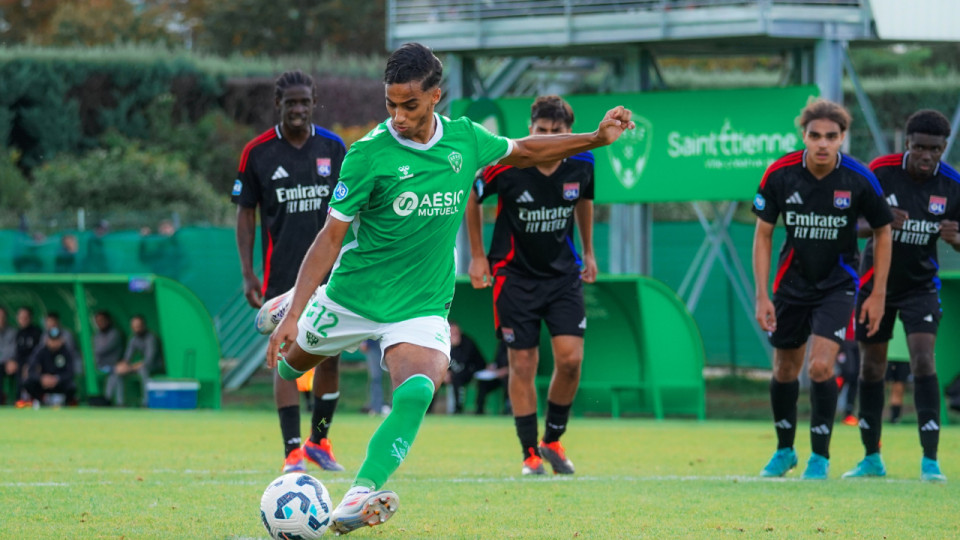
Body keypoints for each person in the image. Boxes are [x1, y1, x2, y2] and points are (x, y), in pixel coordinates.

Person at [260, 42, 633, 534]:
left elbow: (523, 151)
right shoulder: (368, 155)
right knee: (289, 370)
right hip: (352, 295)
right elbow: (330, 239)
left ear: (436, 96)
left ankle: (358, 494)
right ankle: (289, 305)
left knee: (420, 385)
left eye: (409, 105)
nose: (398, 116)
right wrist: (295, 313)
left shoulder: (464, 140)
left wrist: (596, 139)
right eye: (390, 104)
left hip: (420, 304)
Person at [752, 98, 893, 480]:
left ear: (843, 138)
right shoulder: (780, 174)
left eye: (831, 137)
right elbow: (763, 234)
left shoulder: (859, 178)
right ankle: (784, 451)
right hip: (790, 285)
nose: (822, 144)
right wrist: (762, 294)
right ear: (804, 136)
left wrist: (878, 293)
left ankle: (820, 457)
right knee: (784, 369)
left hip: (837, 284)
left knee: (819, 366)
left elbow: (883, 230)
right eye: (815, 136)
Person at [466, 94, 597, 475]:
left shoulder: (584, 161)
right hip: (513, 276)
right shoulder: (505, 165)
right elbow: (472, 200)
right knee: (522, 362)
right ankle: (529, 454)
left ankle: (553, 438)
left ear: (569, 134)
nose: (549, 138)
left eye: (558, 132)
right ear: (530, 130)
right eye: (542, 131)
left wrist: (589, 251)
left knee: (571, 360)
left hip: (562, 276)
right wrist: (477, 255)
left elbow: (585, 199)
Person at [233, 70, 348, 474]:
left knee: (329, 355)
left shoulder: (334, 148)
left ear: (314, 102)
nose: (298, 109)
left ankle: (319, 439)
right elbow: (245, 215)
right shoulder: (258, 152)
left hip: (333, 276)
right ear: (277, 104)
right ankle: (292, 450)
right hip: (282, 275)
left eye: (304, 101)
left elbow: (353, 210)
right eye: (290, 102)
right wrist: (248, 273)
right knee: (286, 356)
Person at [842, 109, 960, 483]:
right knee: (872, 367)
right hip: (875, 286)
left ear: (943, 148)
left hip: (921, 286)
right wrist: (877, 222)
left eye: (935, 149)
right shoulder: (880, 171)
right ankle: (871, 458)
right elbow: (850, 224)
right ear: (907, 143)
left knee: (923, 360)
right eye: (920, 147)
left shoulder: (953, 185)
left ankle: (930, 461)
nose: (927, 156)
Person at [106, 314, 160, 407]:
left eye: (139, 326)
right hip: (138, 366)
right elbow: (127, 357)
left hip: (154, 366)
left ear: (144, 325)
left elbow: (149, 360)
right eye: (134, 327)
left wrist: (131, 367)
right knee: (117, 371)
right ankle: (114, 401)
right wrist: (122, 366)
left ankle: (146, 402)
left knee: (143, 371)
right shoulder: (133, 339)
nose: (137, 329)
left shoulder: (151, 338)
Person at [22, 326, 77, 406]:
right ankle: (40, 401)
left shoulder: (66, 352)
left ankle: (65, 403)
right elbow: (31, 370)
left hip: (58, 383)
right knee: (28, 383)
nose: (54, 342)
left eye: (56, 339)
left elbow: (70, 372)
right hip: (43, 383)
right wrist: (41, 378)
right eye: (52, 340)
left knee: (71, 386)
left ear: (61, 340)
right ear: (47, 340)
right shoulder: (40, 351)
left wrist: (57, 378)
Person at [442, 321, 486, 414]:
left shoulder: (467, 342)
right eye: (452, 333)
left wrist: (454, 345)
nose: (455, 335)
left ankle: (458, 409)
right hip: (452, 372)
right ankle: (428, 411)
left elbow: (462, 364)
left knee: (457, 378)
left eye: (456, 332)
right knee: (435, 379)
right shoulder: (442, 342)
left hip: (471, 371)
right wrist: (444, 372)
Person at [11, 306, 43, 407]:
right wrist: (12, 361)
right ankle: (19, 400)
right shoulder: (17, 333)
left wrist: (29, 365)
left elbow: (38, 352)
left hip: (33, 364)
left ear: (30, 318)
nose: (23, 320)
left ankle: (36, 401)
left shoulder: (37, 332)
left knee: (30, 376)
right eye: (21, 317)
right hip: (19, 364)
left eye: (26, 317)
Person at [93, 310, 124, 403]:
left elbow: (101, 349)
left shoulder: (115, 334)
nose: (100, 323)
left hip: (113, 365)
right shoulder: (97, 335)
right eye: (97, 321)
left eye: (102, 320)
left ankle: (113, 401)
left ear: (108, 320)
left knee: (116, 373)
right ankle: (103, 400)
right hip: (100, 365)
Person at [474, 341, 511, 415]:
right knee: (483, 383)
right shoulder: (502, 344)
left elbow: (523, 365)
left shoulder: (520, 343)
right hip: (497, 375)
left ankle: (508, 409)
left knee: (507, 381)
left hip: (512, 376)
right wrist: (492, 366)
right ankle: (479, 410)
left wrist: (507, 370)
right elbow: (497, 361)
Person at [360, 339, 391, 416]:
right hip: (374, 342)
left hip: (391, 341)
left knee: (396, 377)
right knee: (375, 377)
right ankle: (376, 408)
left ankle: (396, 407)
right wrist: (363, 342)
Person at [0, 307, 18, 405]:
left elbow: (12, 350)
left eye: (2, 316)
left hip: (8, 363)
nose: (0, 319)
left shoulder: (12, 332)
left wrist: (11, 360)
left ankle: (19, 401)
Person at [885, 359, 911, 424]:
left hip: (904, 359)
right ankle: (873, 417)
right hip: (885, 357)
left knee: (898, 389)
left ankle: (894, 419)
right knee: (879, 386)